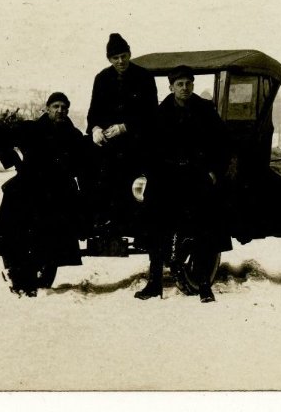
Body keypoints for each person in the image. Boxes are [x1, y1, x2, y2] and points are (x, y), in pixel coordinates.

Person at [135, 65, 232, 303]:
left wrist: (214, 172)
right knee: (156, 227)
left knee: (204, 227)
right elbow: (146, 148)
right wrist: (150, 174)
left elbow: (223, 144)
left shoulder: (206, 110)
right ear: (171, 87)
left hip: (196, 176)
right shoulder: (159, 113)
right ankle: (154, 283)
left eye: (188, 83)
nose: (185, 88)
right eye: (180, 84)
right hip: (166, 178)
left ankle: (204, 284)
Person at [0, 92, 89, 296]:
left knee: (52, 236)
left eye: (64, 107)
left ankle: (43, 278)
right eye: (56, 106)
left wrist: (77, 180)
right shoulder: (30, 128)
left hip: (59, 191)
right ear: (47, 108)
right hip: (29, 187)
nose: (60, 110)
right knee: (17, 231)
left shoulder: (74, 135)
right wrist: (14, 162)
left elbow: (82, 164)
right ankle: (16, 274)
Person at [83, 33, 157, 231]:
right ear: (109, 59)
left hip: (137, 144)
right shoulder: (102, 78)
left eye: (123, 56)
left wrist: (125, 127)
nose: (120, 61)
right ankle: (101, 225)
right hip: (109, 145)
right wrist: (95, 129)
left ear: (129, 54)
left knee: (136, 189)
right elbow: (94, 111)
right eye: (115, 58)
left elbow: (151, 114)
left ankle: (136, 229)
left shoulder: (144, 77)